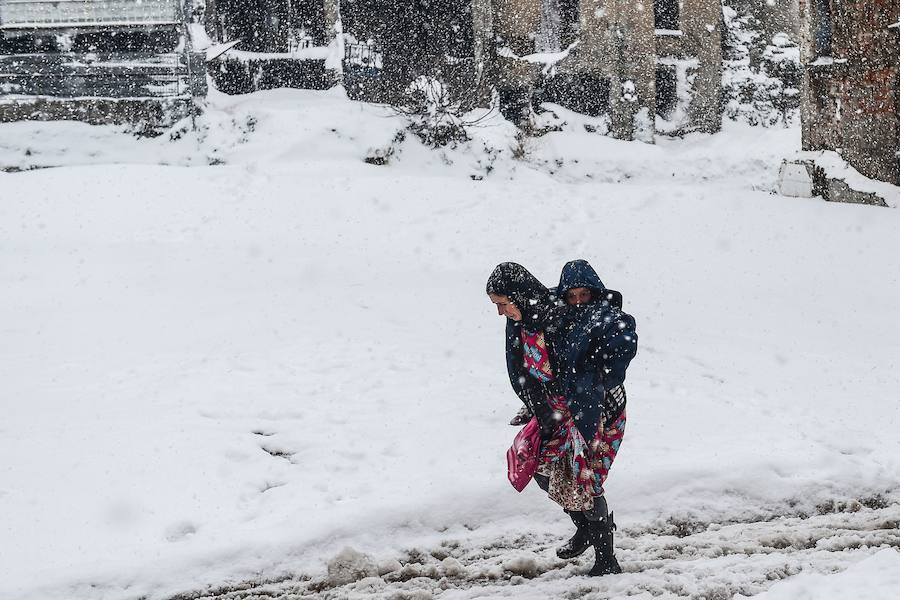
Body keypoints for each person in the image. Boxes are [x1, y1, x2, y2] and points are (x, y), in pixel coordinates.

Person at [486, 261, 638, 576]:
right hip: (554, 412)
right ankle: (584, 527)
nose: (500, 312)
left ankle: (606, 559)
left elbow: (614, 333)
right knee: (541, 470)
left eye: (503, 304)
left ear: (517, 296)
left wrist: (604, 380)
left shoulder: (564, 318)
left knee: (584, 482)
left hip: (592, 410)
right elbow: (523, 369)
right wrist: (533, 404)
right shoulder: (522, 319)